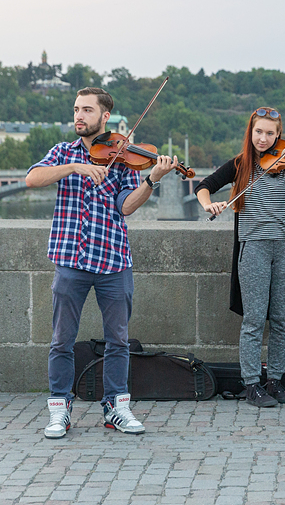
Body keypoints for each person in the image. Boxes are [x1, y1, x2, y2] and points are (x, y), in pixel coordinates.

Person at [26, 86, 179, 439]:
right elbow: (32, 178)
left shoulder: (123, 156)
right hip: (70, 259)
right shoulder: (64, 152)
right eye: (76, 109)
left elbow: (126, 206)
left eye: (87, 110)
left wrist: (152, 180)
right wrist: (76, 167)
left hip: (113, 260)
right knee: (61, 340)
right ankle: (59, 408)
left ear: (105, 116)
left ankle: (116, 407)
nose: (79, 116)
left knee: (118, 340)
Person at [195, 107, 285, 408]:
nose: (264, 138)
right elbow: (203, 186)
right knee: (255, 319)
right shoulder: (240, 165)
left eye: (270, 133)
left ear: (278, 135)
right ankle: (251, 384)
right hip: (254, 247)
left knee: (282, 319)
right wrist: (209, 205)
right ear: (251, 131)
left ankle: (276, 380)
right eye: (259, 131)